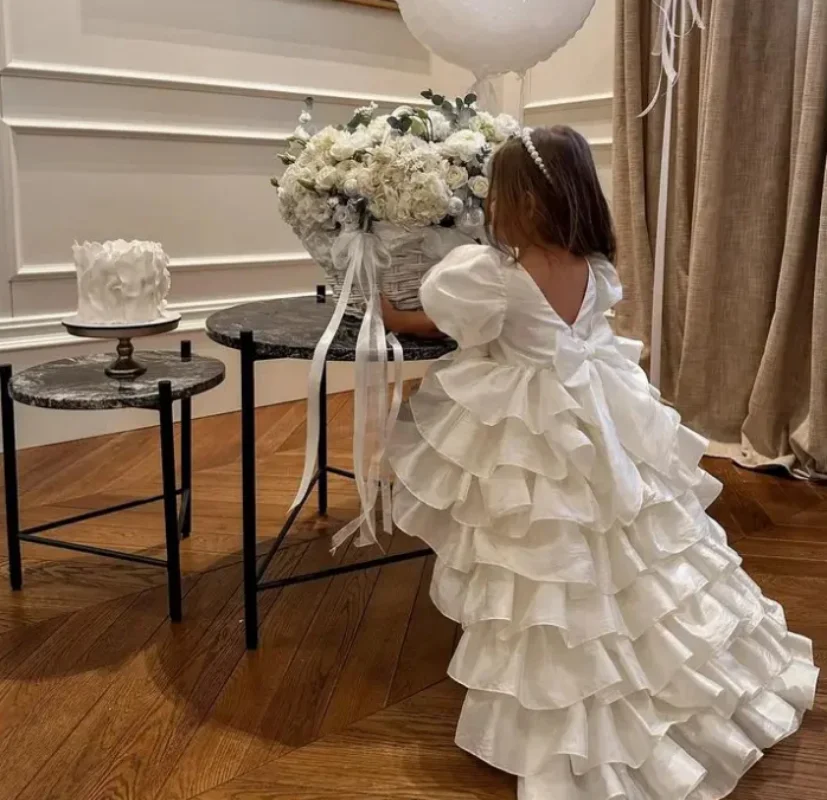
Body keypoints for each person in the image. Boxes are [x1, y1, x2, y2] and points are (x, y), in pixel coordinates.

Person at [380, 125, 818, 800]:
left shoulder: (489, 275)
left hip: (535, 428)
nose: (490, 208)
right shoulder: (597, 270)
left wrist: (385, 308)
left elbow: (442, 324)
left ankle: (567, 710)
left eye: (499, 195)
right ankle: (684, 673)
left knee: (546, 559)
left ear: (523, 201)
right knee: (635, 540)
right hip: (603, 416)